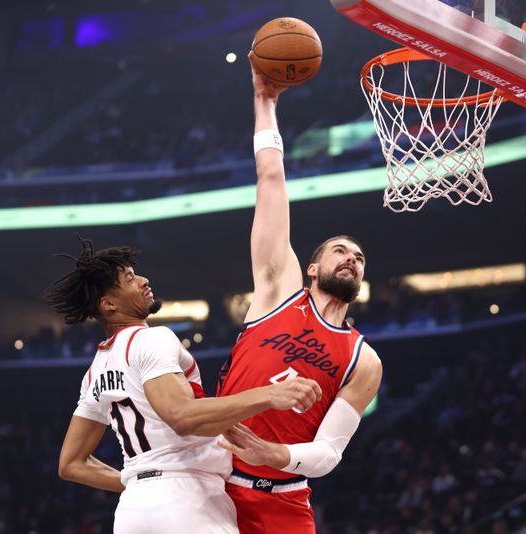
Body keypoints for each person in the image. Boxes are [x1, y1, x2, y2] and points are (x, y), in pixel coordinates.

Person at [46, 237, 322, 534]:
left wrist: (136, 482)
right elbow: (182, 417)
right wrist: (269, 394)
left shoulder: (95, 371)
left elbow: (71, 463)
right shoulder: (151, 339)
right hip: (188, 499)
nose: (143, 280)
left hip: (132, 511)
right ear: (109, 304)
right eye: (129, 279)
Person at [215, 58, 383, 533]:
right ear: (312, 268)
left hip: (282, 499)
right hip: (213, 479)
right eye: (339, 251)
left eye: (359, 256)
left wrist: (276, 454)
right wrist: (264, 102)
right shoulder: (279, 288)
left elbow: (329, 452)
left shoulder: (363, 360)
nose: (351, 257)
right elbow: (270, 180)